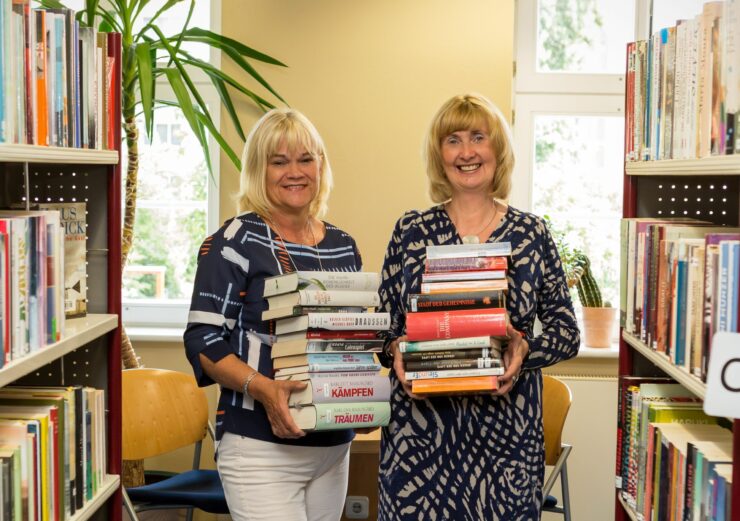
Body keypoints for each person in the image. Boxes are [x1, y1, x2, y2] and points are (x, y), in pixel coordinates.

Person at [376, 93, 580, 520]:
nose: (466, 152)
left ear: (497, 149)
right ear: (439, 153)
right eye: (453, 140)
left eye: (478, 137)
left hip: (506, 446)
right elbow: (385, 327)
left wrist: (523, 350)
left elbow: (566, 332)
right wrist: (396, 350)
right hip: (420, 443)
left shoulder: (531, 233)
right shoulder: (411, 231)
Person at [183, 108, 363, 521]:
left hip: (332, 445)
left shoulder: (343, 245)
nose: (294, 172)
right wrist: (263, 388)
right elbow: (203, 341)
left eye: (305, 159)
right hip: (260, 446)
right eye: (278, 162)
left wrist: (363, 397)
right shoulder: (234, 241)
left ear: (321, 166)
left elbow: (348, 340)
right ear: (257, 171)